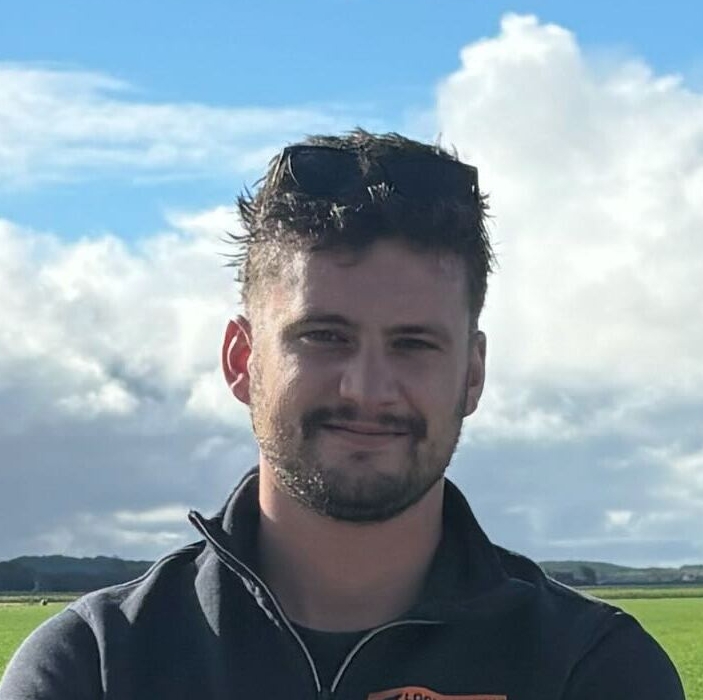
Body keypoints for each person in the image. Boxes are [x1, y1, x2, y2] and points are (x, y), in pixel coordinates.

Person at [0, 131, 684, 700]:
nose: (366, 389)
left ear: (472, 374)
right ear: (242, 360)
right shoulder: (95, 666)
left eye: (413, 344)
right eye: (323, 336)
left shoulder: (593, 670)